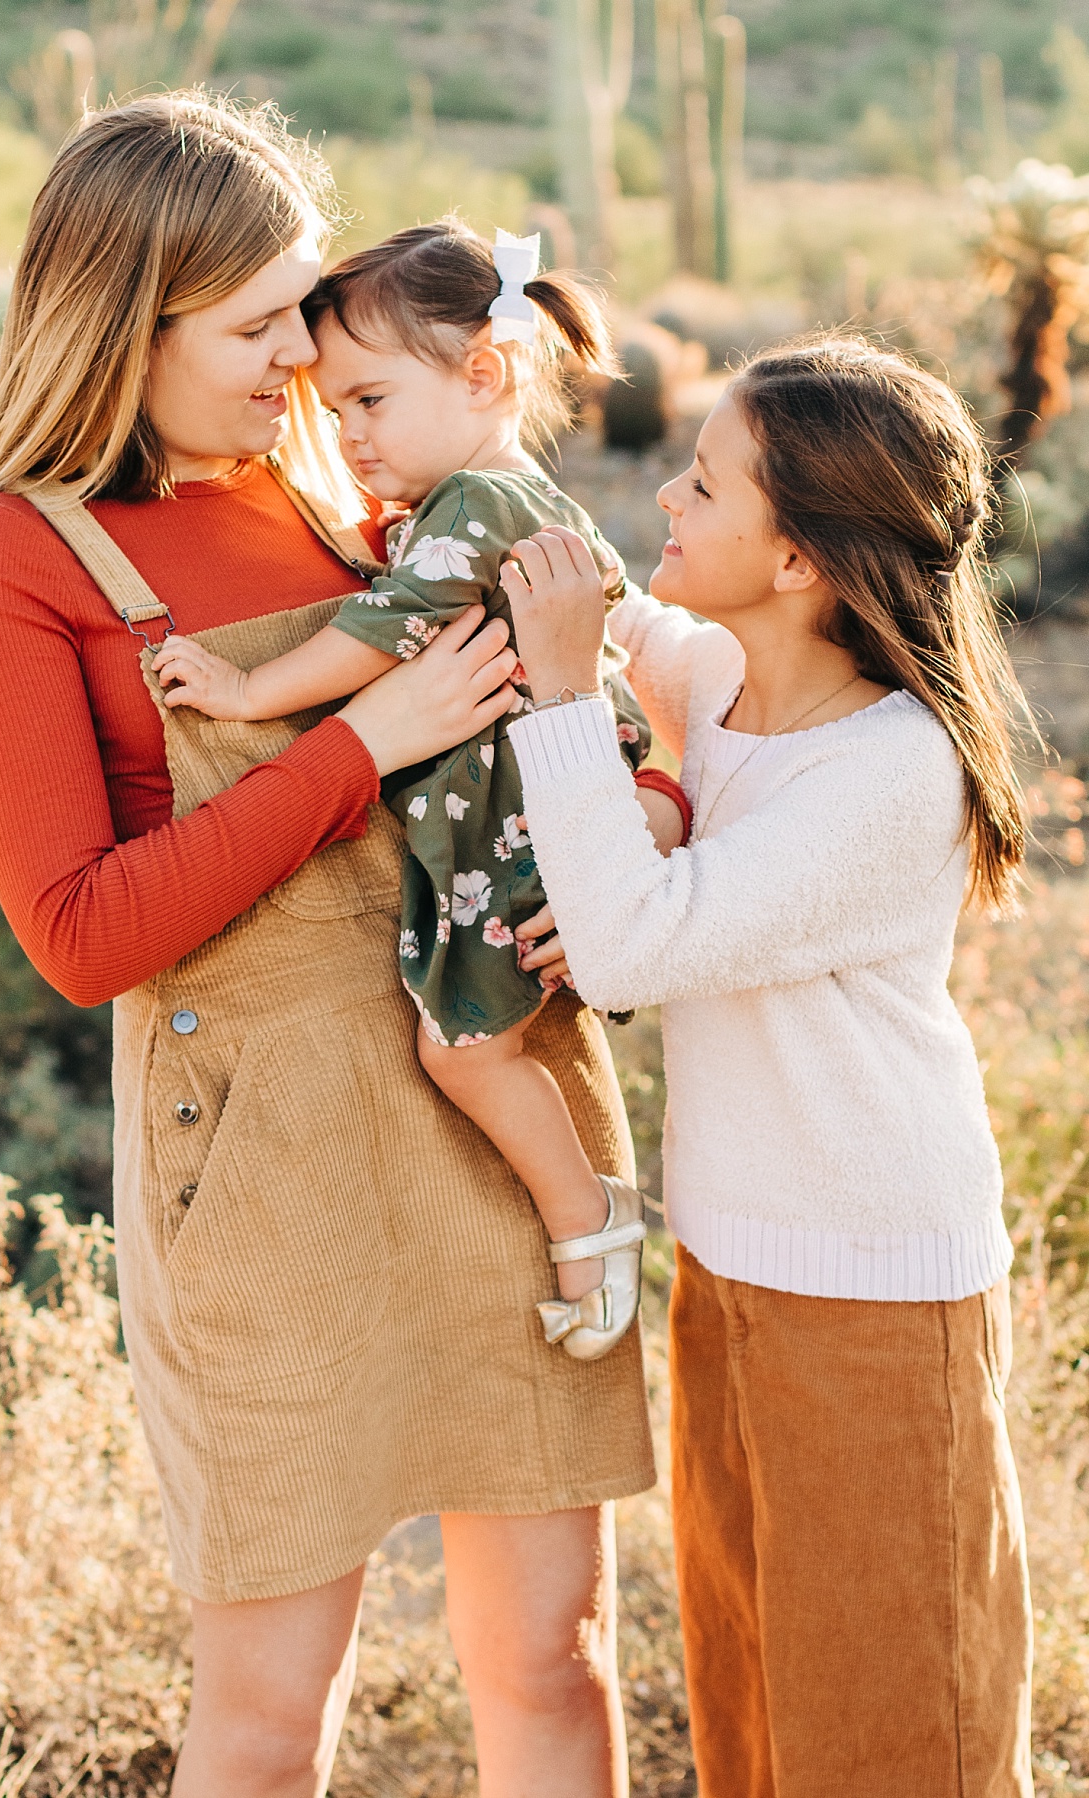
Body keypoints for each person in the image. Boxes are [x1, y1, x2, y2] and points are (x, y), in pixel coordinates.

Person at [0, 92, 660, 1798]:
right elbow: (83, 933)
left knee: (550, 1661)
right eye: (256, 325)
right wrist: (361, 741)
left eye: (302, 312)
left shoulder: (359, 493)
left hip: (492, 1104)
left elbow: (617, 654)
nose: (295, 357)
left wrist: (656, 811)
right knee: (269, 1717)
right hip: (255, 1160)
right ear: (128, 316)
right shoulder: (12, 557)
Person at [502, 337, 1034, 1796]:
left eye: (704, 480)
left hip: (875, 1292)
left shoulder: (892, 772)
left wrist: (560, 695)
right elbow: (622, 613)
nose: (663, 495)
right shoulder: (727, 675)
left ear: (796, 557)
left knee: (889, 1726)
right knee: (757, 1707)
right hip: (736, 1273)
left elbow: (624, 943)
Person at [151, 219, 684, 1360]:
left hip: (521, 830)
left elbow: (381, 635)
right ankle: (584, 1220)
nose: (345, 435)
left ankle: (588, 1222)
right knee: (468, 1046)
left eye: (370, 402)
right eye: (335, 411)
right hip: (530, 816)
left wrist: (246, 694)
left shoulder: (479, 509)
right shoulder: (507, 499)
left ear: (481, 374)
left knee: (463, 1051)